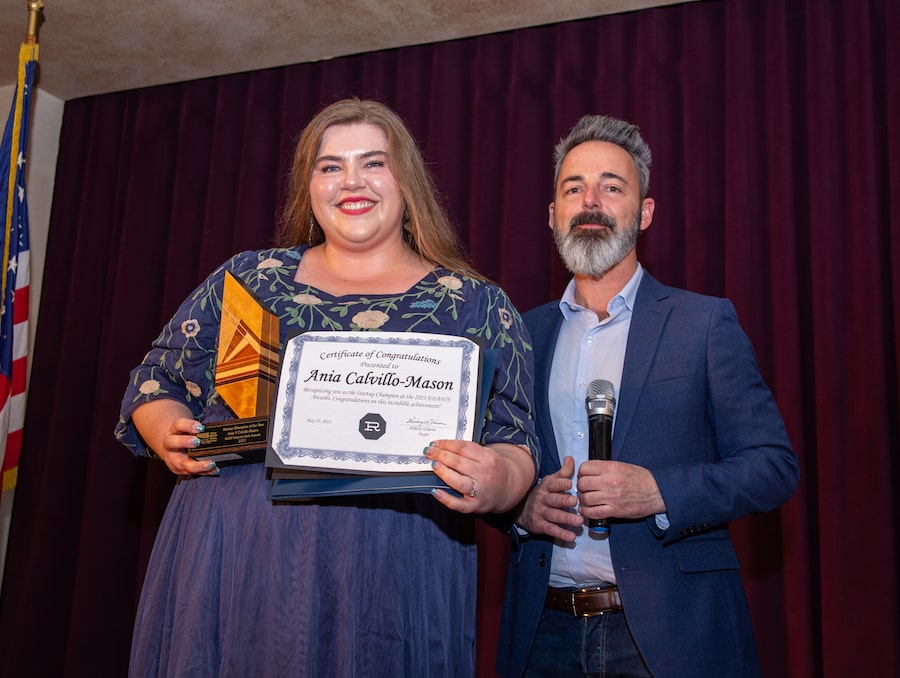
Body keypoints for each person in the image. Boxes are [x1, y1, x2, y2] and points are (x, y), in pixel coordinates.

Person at [115, 98, 538, 677]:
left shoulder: (477, 305)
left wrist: (499, 481)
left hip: (395, 563)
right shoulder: (246, 280)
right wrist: (165, 429)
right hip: (234, 553)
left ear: (406, 180)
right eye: (330, 166)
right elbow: (153, 381)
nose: (351, 182)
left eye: (374, 163)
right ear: (307, 186)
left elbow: (515, 444)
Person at [495, 115, 800, 678]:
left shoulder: (705, 324)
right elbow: (494, 463)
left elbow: (773, 467)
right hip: (541, 636)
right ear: (552, 215)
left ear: (644, 211)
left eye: (611, 186)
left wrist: (659, 491)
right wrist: (520, 507)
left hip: (673, 638)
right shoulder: (518, 333)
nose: (590, 202)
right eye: (573, 189)